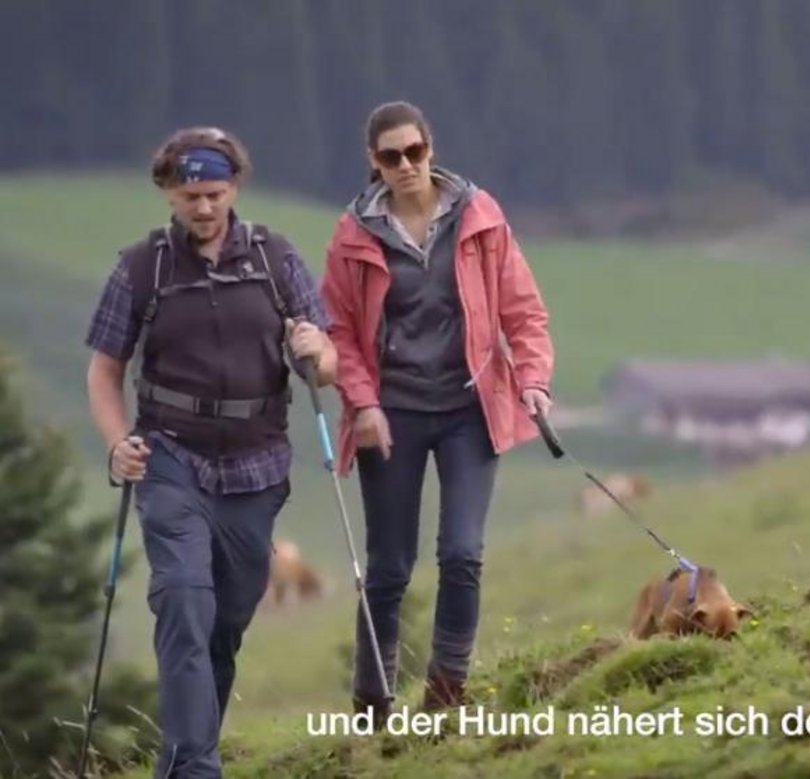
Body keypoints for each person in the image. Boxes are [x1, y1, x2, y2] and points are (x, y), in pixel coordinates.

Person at [84, 126, 336, 777]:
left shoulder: (276, 259)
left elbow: (326, 358)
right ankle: (199, 766)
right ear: (168, 192)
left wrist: (316, 353)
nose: (202, 207)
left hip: (257, 464)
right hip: (171, 456)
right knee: (183, 596)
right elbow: (104, 369)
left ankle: (181, 759)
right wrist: (118, 445)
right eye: (190, 194)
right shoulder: (141, 268)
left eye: (214, 193)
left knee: (224, 623)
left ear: (235, 188)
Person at [320, 100, 555, 717]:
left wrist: (533, 381)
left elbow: (524, 312)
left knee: (462, 553)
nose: (406, 166)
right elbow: (339, 331)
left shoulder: (479, 217)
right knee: (390, 566)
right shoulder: (353, 235)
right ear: (374, 162)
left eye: (415, 152)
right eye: (391, 157)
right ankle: (373, 707)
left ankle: (446, 698)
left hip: (468, 409)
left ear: (431, 148)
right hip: (390, 413)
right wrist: (363, 404)